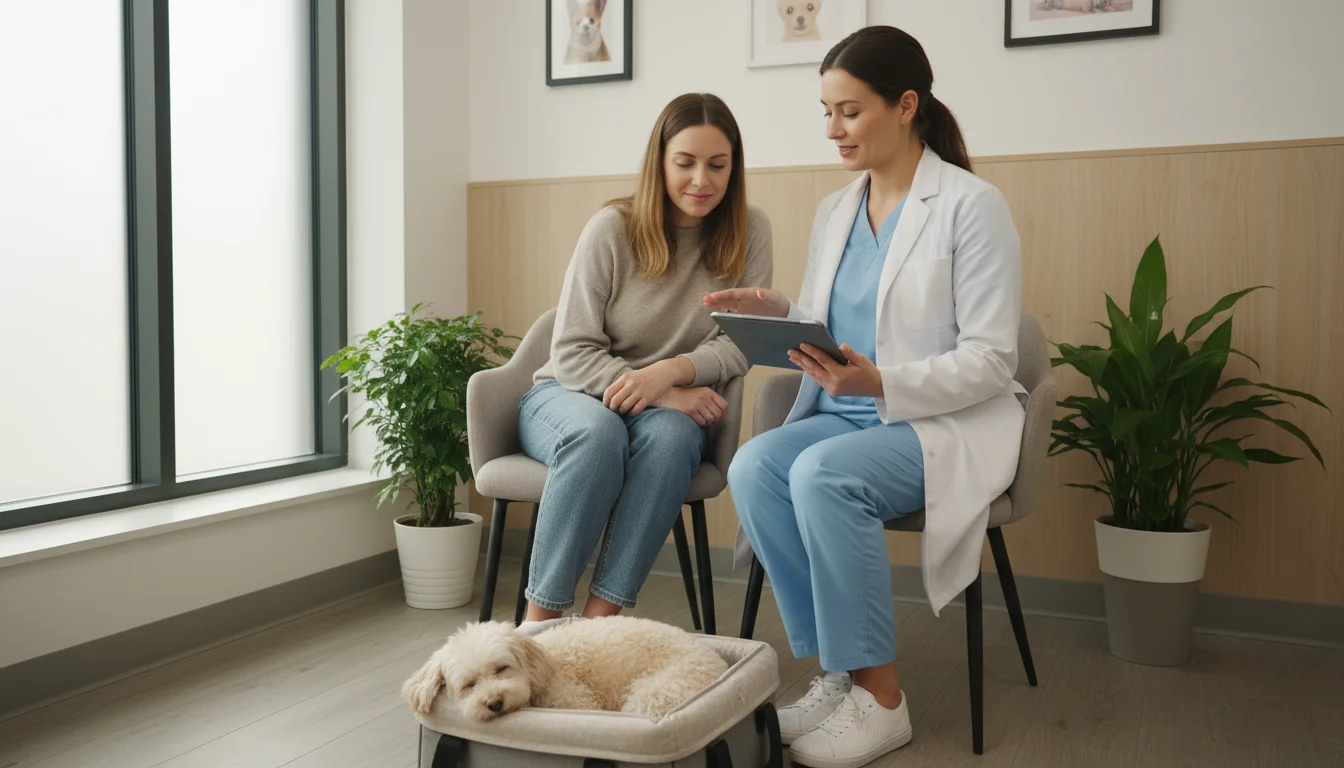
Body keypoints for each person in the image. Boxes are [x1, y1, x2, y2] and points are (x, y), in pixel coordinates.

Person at [705, 26, 1026, 768]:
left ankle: (882, 700)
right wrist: (777, 312)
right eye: (826, 112)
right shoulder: (835, 210)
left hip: (936, 422)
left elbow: (991, 358)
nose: (833, 129)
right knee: (755, 467)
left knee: (825, 476)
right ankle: (839, 674)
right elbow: (834, 325)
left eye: (849, 111)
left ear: (906, 105)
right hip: (842, 412)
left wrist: (881, 381)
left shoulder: (972, 207)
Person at [519, 93, 773, 625]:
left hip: (666, 409)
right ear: (659, 162)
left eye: (718, 165)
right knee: (597, 435)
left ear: (735, 168)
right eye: (685, 163)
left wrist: (669, 374)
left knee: (676, 439)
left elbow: (741, 342)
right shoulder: (611, 228)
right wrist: (660, 389)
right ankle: (536, 627)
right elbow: (570, 350)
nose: (701, 180)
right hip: (570, 394)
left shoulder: (751, 231)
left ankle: (598, 627)